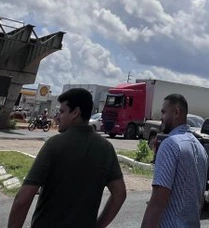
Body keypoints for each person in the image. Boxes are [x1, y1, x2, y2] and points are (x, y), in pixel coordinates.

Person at [7, 88, 126, 228]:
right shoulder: (106, 148)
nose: (57, 117)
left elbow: (23, 199)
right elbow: (120, 194)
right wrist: (98, 226)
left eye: (62, 112)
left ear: (75, 113)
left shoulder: (54, 145)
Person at [141, 93, 208, 228]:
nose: (161, 117)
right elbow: (200, 200)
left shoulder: (170, 144)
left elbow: (158, 202)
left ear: (176, 112)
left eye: (164, 112)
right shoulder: (201, 150)